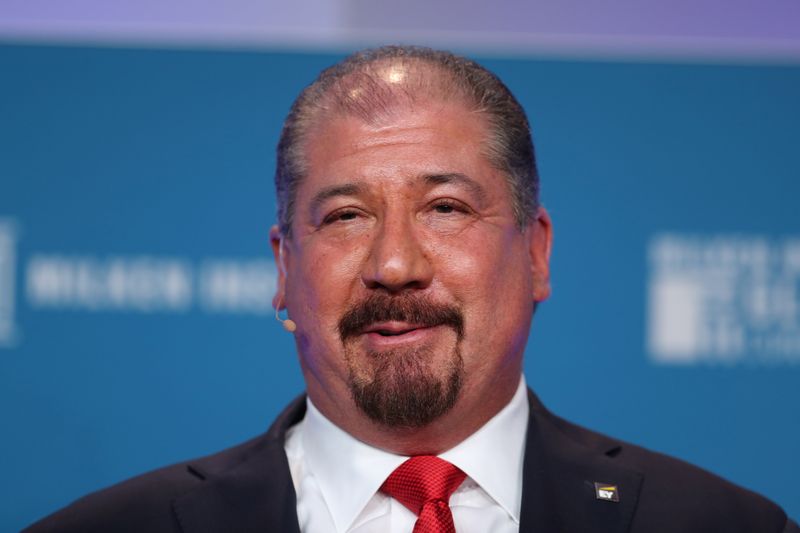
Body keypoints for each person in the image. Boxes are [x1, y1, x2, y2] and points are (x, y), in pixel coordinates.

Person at [27, 45, 798, 533]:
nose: (394, 265)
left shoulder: (723, 523)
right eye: (346, 215)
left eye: (446, 208)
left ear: (535, 254)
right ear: (284, 269)